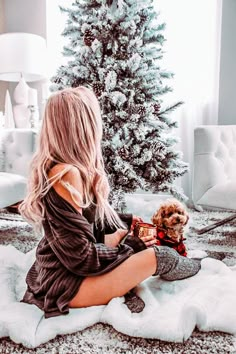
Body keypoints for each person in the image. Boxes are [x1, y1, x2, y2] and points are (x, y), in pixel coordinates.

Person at [19, 86, 201, 319]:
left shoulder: (72, 169)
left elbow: (86, 226)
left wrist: (125, 224)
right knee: (159, 256)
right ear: (82, 128)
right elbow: (82, 260)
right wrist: (128, 246)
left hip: (64, 269)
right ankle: (199, 268)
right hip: (67, 285)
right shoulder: (66, 174)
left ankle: (173, 261)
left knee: (132, 239)